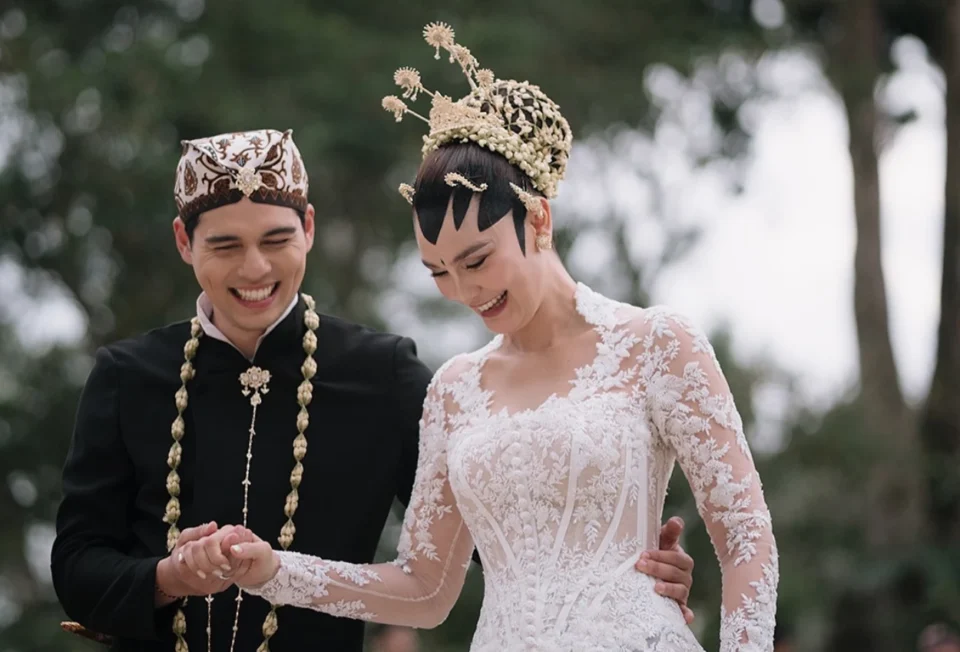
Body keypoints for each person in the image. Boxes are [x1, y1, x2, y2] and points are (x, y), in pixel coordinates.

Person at [219, 21, 779, 652]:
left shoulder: (657, 343)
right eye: (439, 271)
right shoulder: (453, 390)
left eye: (477, 260)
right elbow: (425, 589)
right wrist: (275, 572)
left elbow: (744, 533)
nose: (464, 290)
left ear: (537, 219)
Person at [49, 126, 698, 652]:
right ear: (184, 242)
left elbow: (495, 524)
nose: (255, 267)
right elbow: (77, 564)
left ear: (308, 227)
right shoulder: (127, 376)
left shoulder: (380, 372)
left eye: (276, 239)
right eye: (226, 246)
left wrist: (621, 565)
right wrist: (168, 578)